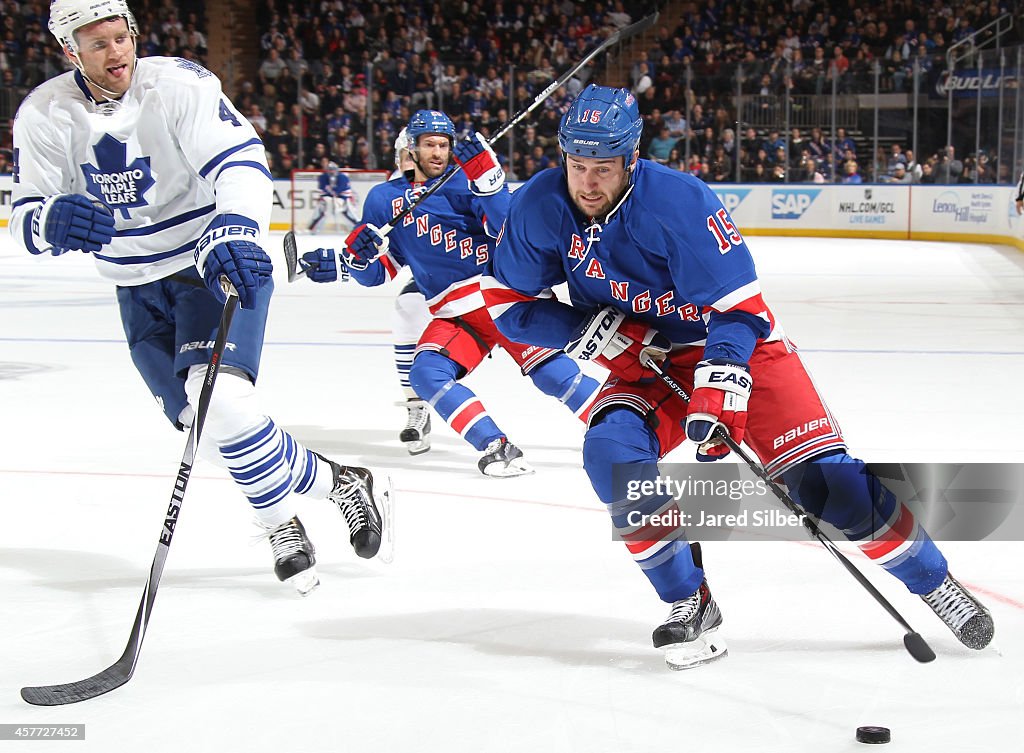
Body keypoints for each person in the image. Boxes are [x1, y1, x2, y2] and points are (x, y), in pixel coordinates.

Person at [483, 84, 994, 668]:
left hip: (740, 348)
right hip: (646, 361)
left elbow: (740, 309)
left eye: (603, 168)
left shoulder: (679, 203)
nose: (588, 183)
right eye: (578, 166)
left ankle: (933, 582)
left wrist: (720, 382)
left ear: (631, 158)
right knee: (611, 454)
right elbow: (506, 304)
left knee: (829, 489)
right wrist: (583, 327)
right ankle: (690, 603)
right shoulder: (539, 206)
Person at [9, 0, 392, 596]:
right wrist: (49, 220)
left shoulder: (178, 85)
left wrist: (236, 227)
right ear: (71, 50)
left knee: (224, 404)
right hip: (134, 289)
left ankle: (276, 524)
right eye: (100, 44)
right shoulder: (44, 114)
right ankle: (337, 483)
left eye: (123, 38)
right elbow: (27, 210)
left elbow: (240, 160)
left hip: (208, 264)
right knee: (201, 429)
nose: (117, 54)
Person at [311, 109, 603, 476]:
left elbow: (509, 228)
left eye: (444, 145)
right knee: (426, 373)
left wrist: (489, 181)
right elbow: (379, 273)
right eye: (429, 144)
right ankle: (497, 446)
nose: (437, 152)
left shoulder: (464, 181)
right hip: (456, 314)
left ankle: (629, 429)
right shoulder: (383, 200)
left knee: (554, 376)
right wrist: (356, 258)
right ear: (410, 149)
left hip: (505, 300)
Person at [300, 129, 433, 455]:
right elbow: (387, 261)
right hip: (434, 283)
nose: (414, 162)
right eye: (408, 155)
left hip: (485, 278)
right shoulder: (391, 195)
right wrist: (345, 264)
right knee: (407, 310)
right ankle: (417, 407)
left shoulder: (457, 184)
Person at [309, 161, 359, 233]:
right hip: (330, 197)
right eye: (330, 169)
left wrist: (333, 192)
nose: (331, 171)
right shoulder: (323, 177)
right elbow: (323, 188)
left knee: (348, 213)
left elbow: (340, 189)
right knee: (322, 211)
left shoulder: (342, 177)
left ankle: (357, 228)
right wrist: (331, 193)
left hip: (344, 198)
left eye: (333, 169)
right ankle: (313, 228)